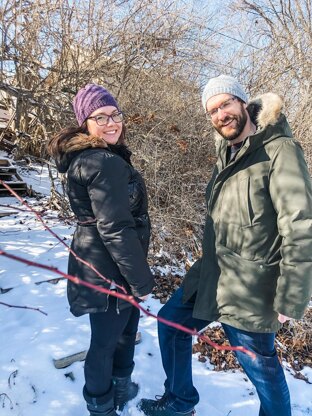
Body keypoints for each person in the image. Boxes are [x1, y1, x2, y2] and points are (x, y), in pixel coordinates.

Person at [138, 75, 312, 416]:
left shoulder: (279, 151)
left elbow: (300, 224)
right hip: (212, 274)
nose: (220, 115)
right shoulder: (228, 152)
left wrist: (292, 294)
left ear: (243, 102)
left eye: (225, 104)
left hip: (250, 285)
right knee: (171, 323)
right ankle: (181, 399)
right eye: (212, 111)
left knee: (262, 371)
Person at [48, 84, 155, 416]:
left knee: (123, 333)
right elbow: (115, 226)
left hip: (106, 262)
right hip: (109, 268)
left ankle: (119, 389)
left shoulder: (99, 157)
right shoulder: (101, 161)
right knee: (106, 341)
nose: (112, 123)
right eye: (101, 117)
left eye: (115, 114)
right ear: (85, 124)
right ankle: (102, 407)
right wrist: (140, 280)